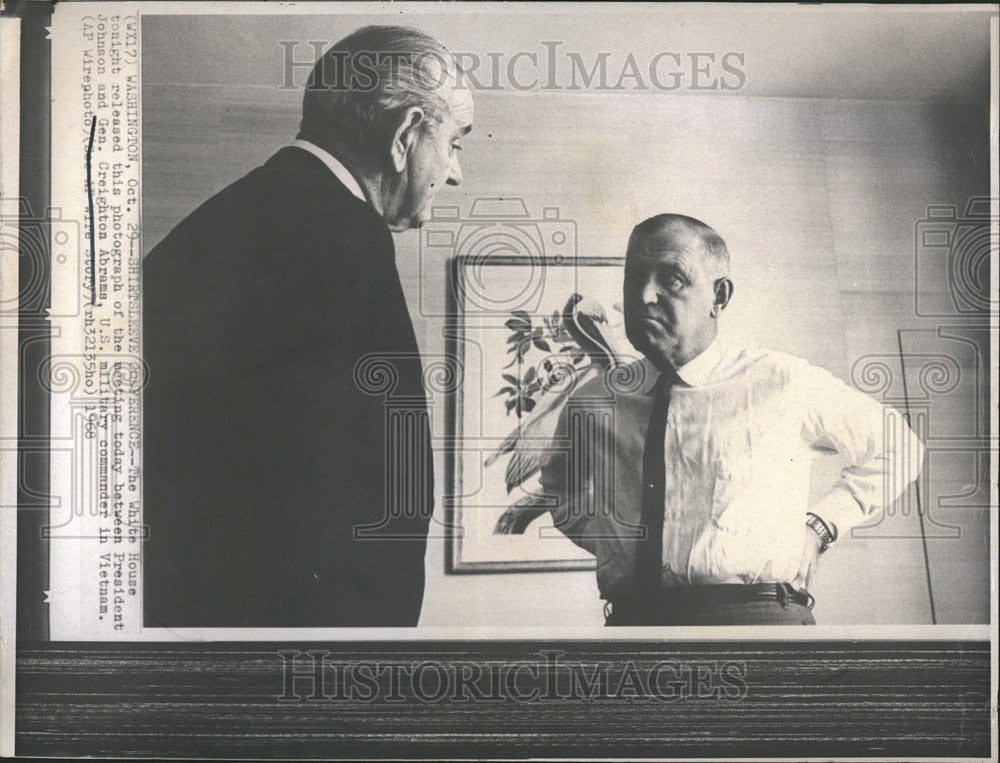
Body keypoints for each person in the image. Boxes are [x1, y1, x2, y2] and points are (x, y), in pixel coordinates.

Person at [142, 26, 474, 627]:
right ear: (405, 136)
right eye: (453, 143)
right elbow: (372, 496)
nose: (455, 173)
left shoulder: (225, 221)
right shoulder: (345, 240)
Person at [541, 214, 925, 626]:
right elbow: (559, 488)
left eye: (671, 278)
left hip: (757, 625)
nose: (645, 295)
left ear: (718, 297)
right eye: (634, 277)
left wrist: (819, 527)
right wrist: (615, 544)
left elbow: (899, 447)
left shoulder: (781, 381)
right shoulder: (595, 400)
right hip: (634, 627)